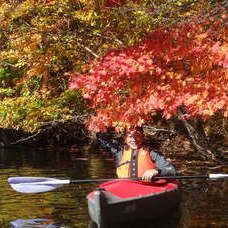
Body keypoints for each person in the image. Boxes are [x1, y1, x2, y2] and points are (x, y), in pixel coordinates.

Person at [97, 126, 176, 181]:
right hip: (124, 188)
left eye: (137, 135)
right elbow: (102, 139)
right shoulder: (119, 152)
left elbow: (171, 170)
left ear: (143, 137)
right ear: (125, 138)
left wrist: (156, 171)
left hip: (148, 188)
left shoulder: (152, 153)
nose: (134, 139)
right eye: (130, 136)